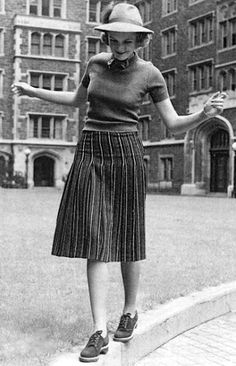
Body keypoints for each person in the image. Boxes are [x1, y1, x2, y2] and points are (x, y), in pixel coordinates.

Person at [11, 2, 226, 363]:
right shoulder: (95, 64)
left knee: (127, 234)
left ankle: (130, 309)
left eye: (129, 41)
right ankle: (98, 331)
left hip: (127, 152)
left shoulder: (151, 74)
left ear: (138, 41)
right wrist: (32, 91)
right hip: (91, 150)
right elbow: (77, 100)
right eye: (116, 39)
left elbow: (172, 123)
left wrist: (202, 115)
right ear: (107, 36)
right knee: (94, 239)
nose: (122, 46)